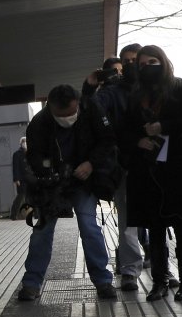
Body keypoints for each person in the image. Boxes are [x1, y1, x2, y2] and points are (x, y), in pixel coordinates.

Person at [120, 45, 182, 302]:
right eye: (143, 64)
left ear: (164, 61)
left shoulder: (181, 89)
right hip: (147, 167)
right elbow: (123, 129)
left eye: (153, 61)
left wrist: (165, 126)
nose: (148, 67)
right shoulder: (136, 96)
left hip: (178, 165)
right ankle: (160, 280)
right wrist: (138, 141)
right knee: (155, 226)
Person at [16, 84, 118, 301]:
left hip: (84, 180)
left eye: (71, 114)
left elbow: (108, 140)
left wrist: (91, 163)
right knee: (42, 231)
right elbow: (33, 156)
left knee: (89, 227)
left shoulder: (91, 111)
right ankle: (31, 283)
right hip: (51, 185)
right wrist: (48, 170)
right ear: (50, 108)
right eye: (60, 116)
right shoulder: (39, 123)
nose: (67, 119)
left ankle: (103, 281)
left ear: (78, 104)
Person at [93, 45, 152, 291]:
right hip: (124, 164)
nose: (128, 66)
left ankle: (161, 267)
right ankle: (130, 270)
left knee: (158, 218)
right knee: (128, 220)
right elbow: (95, 111)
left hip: (151, 162)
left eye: (133, 61)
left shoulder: (154, 88)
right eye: (124, 61)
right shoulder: (111, 93)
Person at [10, 136, 29, 220]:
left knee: (31, 197)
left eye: (26, 142)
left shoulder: (30, 153)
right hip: (21, 179)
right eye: (23, 142)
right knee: (20, 196)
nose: (25, 143)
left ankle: (33, 214)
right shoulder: (17, 154)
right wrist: (16, 179)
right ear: (20, 144)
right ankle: (13, 214)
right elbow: (15, 167)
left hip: (30, 179)